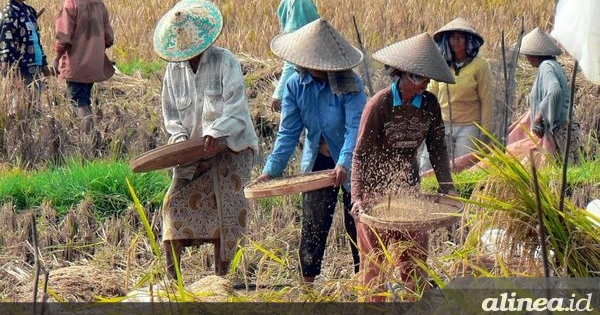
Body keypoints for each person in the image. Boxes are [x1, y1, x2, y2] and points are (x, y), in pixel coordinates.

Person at [254, 18, 366, 283]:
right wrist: (271, 171)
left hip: (353, 162)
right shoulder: (295, 85)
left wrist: (344, 163)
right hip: (318, 158)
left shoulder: (350, 84)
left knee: (357, 223)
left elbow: (354, 128)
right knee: (314, 225)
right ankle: (308, 286)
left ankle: (364, 284)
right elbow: (289, 133)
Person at [153, 0, 259, 278]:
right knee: (172, 206)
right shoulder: (173, 70)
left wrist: (215, 132)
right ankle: (173, 285)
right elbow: (172, 115)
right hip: (191, 153)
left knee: (226, 216)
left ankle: (221, 282)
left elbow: (235, 108)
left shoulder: (226, 61)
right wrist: (179, 141)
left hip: (230, 149)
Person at [351, 33, 457, 302]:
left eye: (428, 79)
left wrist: (448, 189)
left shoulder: (430, 104)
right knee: (375, 270)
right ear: (405, 75)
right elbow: (360, 155)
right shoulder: (380, 105)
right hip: (375, 195)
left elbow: (437, 149)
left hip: (409, 191)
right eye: (421, 78)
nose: (427, 84)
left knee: (414, 264)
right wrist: (357, 198)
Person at [419, 17, 495, 174]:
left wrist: (484, 133)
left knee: (463, 169)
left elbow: (487, 100)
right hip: (441, 123)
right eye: (452, 37)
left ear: (469, 41)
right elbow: (431, 92)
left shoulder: (480, 66)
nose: (456, 42)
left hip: (468, 126)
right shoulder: (442, 64)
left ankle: (459, 197)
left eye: (460, 37)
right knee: (427, 164)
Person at [518, 27, 581, 165]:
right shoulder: (553, 65)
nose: (527, 59)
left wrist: (540, 115)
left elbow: (554, 91)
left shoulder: (546, 67)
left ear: (534, 55)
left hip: (560, 133)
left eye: (527, 55)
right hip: (565, 129)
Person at [54, 0, 115, 133]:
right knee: (85, 100)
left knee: (79, 103)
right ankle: (91, 136)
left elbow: (64, 36)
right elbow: (109, 38)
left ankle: (87, 141)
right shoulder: (99, 4)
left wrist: (57, 58)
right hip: (95, 64)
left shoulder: (71, 3)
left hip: (76, 65)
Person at [0, 0, 50, 115]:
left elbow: (37, 39)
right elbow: (5, 42)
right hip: (20, 67)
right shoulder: (9, 13)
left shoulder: (29, 11)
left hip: (35, 63)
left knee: (35, 105)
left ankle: (34, 129)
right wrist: (7, 69)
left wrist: (43, 62)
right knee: (20, 106)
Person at [270, 0, 319, 112]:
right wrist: (279, 92)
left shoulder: (286, 3)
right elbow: (296, 55)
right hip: (310, 71)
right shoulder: (301, 3)